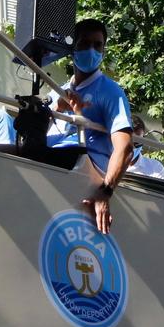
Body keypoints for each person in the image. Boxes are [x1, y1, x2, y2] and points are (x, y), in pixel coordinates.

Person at [53, 19, 134, 233]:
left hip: (82, 166)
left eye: (97, 45)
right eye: (84, 44)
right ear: (72, 49)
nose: (91, 50)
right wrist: (59, 109)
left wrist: (105, 191)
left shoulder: (110, 91)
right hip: (53, 158)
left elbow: (125, 148)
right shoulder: (57, 91)